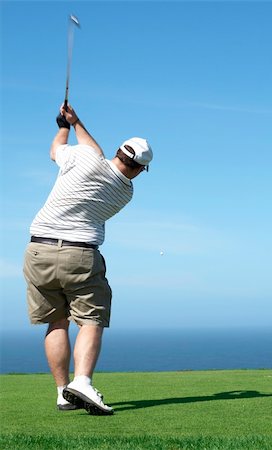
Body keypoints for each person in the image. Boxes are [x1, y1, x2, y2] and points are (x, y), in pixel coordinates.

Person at [23, 104, 153, 415]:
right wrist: (76, 121)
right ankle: (81, 382)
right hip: (80, 254)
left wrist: (65, 126)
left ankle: (62, 392)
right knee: (92, 318)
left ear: (117, 152)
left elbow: (58, 150)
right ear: (138, 169)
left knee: (57, 322)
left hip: (37, 250)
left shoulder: (84, 159)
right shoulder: (125, 191)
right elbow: (95, 154)